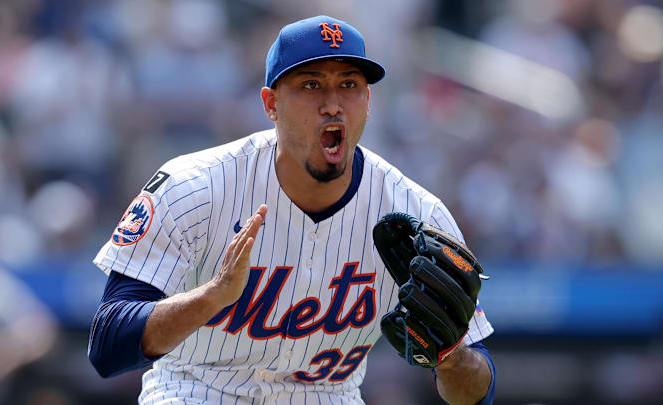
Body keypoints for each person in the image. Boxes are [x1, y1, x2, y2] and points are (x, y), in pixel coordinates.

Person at [88, 15, 495, 405]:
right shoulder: (195, 186)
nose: (333, 104)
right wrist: (212, 297)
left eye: (349, 84)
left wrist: (452, 356)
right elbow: (107, 345)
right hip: (196, 392)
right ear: (271, 104)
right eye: (312, 84)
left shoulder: (416, 214)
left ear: (368, 101)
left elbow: (478, 394)